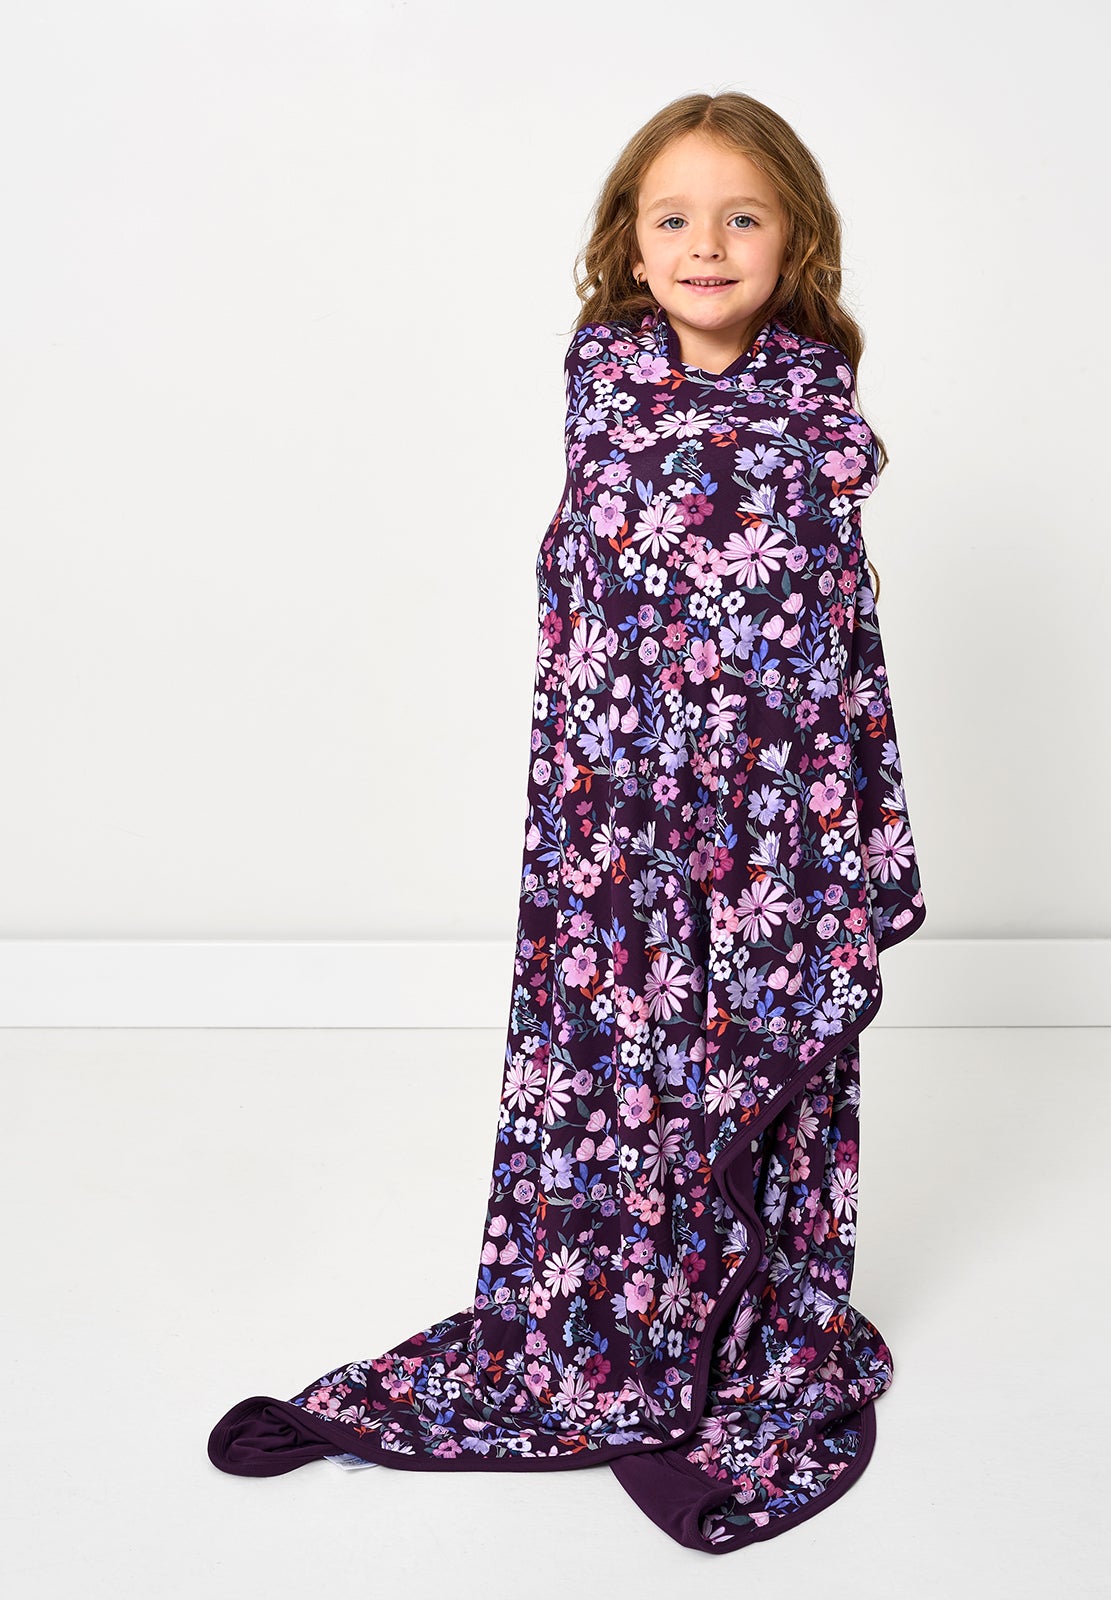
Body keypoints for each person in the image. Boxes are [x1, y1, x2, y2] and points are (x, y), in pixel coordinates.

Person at [207, 89, 926, 1553]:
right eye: (675, 217)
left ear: (795, 241)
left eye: (742, 216)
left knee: (744, 1069)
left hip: (769, 834)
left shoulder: (817, 421)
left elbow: (831, 646)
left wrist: (822, 836)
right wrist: (606, 789)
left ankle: (742, 1326)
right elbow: (589, 608)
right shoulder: (600, 387)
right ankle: (613, 1330)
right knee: (617, 1077)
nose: (707, 243)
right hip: (614, 825)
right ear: (631, 242)